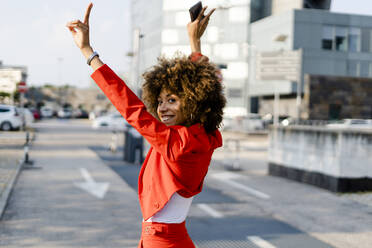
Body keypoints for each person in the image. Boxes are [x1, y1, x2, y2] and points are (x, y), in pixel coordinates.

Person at [66, 3, 226, 248]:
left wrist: (88, 52)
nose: (162, 108)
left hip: (161, 240)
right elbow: (205, 87)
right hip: (173, 237)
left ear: (194, 100)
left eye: (172, 100)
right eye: (160, 101)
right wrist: (194, 44)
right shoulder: (204, 135)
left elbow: (129, 107)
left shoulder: (175, 142)